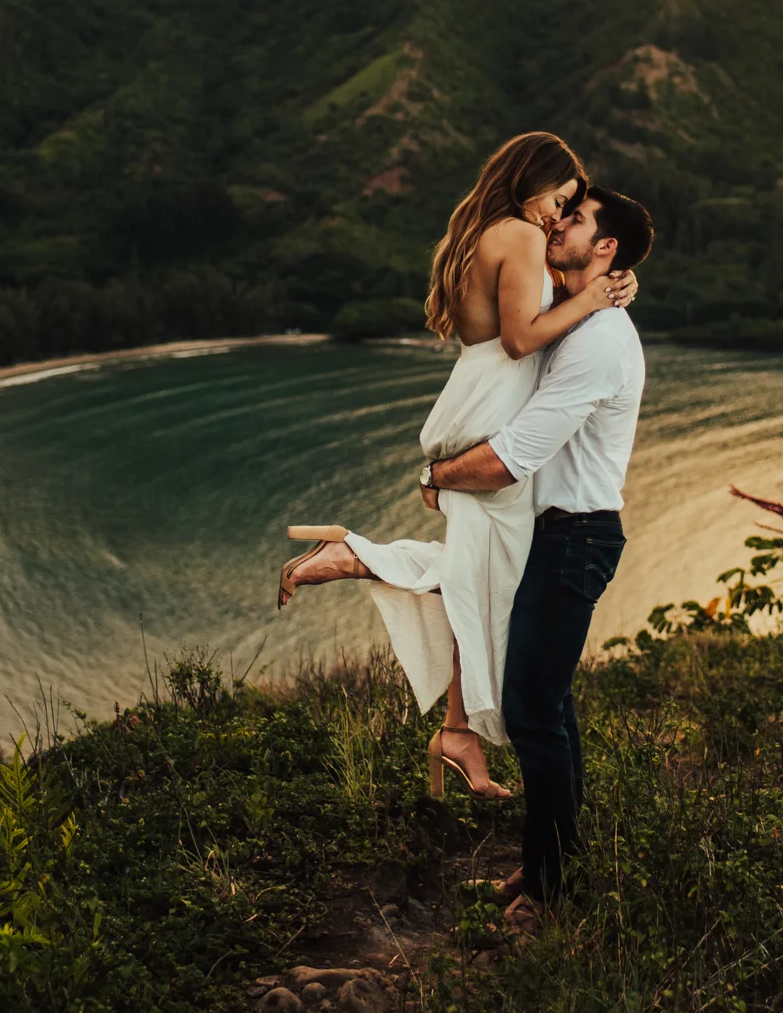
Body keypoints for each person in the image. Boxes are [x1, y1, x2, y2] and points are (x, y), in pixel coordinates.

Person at [276, 133, 636, 801]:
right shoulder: (523, 237)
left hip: (471, 398)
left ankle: (455, 727)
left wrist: (597, 286)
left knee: (489, 572)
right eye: (559, 200)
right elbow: (522, 338)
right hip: (492, 409)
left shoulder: (482, 232)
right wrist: (589, 302)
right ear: (533, 182)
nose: (559, 217)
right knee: (493, 581)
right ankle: (358, 559)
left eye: (569, 210)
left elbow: (526, 313)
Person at [422, 186, 651, 916]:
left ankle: (550, 889)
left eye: (576, 220)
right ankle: (554, 868)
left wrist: (437, 475)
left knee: (530, 713)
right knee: (548, 706)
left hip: (574, 536)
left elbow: (513, 456)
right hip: (553, 534)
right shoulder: (578, 317)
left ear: (606, 248)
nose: (558, 224)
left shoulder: (601, 339)